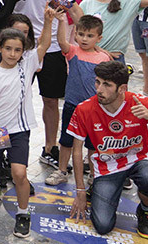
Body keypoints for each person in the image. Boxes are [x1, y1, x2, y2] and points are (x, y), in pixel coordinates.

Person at [67, 60, 148, 238]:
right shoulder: (84, 109)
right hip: (107, 167)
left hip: (138, 160)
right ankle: (97, 189)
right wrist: (80, 191)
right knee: (103, 226)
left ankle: (145, 211)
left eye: (107, 85)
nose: (99, 89)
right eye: (97, 82)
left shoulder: (141, 102)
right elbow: (77, 152)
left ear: (122, 88)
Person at [7, 0, 83, 169]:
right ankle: (6, 149)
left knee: (50, 101)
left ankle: (50, 148)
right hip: (19, 51)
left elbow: (71, 9)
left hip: (50, 50)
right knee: (12, 100)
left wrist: (94, 37)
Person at [0, 22, 48, 238]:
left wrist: (49, 20)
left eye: (17, 49)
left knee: (19, 173)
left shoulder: (27, 67)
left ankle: (23, 214)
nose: (12, 54)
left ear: (23, 52)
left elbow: (44, 44)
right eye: (8, 48)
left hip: (19, 131)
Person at [43, 14, 109, 187]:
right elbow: (61, 42)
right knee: (66, 139)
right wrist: (62, 21)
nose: (84, 39)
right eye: (80, 34)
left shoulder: (103, 58)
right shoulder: (72, 51)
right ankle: (62, 170)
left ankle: (94, 174)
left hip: (95, 108)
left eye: (89, 36)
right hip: (72, 105)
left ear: (99, 38)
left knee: (93, 144)